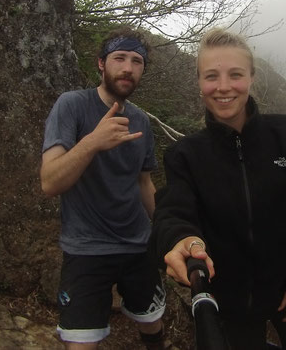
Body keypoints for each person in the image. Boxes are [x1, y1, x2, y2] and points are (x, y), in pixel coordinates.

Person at [150, 28, 286, 350]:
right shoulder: (186, 155)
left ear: (251, 77)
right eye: (211, 76)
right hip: (229, 302)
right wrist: (182, 240)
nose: (223, 87)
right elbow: (174, 211)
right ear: (199, 82)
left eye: (235, 75)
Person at [40, 27, 169, 350]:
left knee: (152, 321)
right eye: (119, 58)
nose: (127, 67)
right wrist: (93, 142)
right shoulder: (72, 106)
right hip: (86, 248)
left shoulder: (141, 122)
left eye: (136, 61)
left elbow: (143, 183)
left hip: (138, 245)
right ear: (101, 63)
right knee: (81, 343)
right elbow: (50, 182)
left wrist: (169, 234)